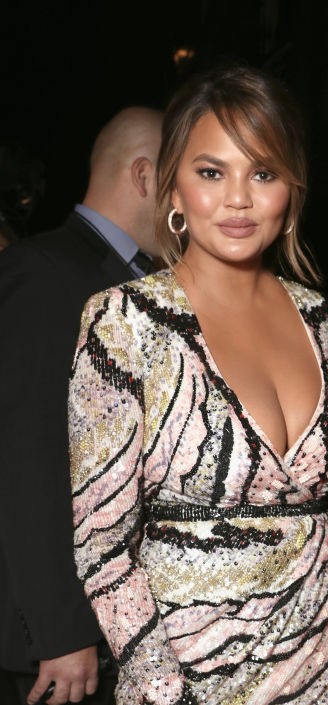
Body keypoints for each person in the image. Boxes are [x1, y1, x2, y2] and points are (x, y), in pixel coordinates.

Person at [68, 63, 328, 705]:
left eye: (263, 173)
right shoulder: (126, 322)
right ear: (172, 186)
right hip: (188, 678)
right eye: (211, 172)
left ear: (292, 189)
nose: (238, 199)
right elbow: (101, 546)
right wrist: (164, 689)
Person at [0, 105, 163, 705]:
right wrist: (61, 629)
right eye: (189, 177)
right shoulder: (43, 271)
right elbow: (27, 457)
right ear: (144, 176)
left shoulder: (142, 278)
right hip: (69, 645)